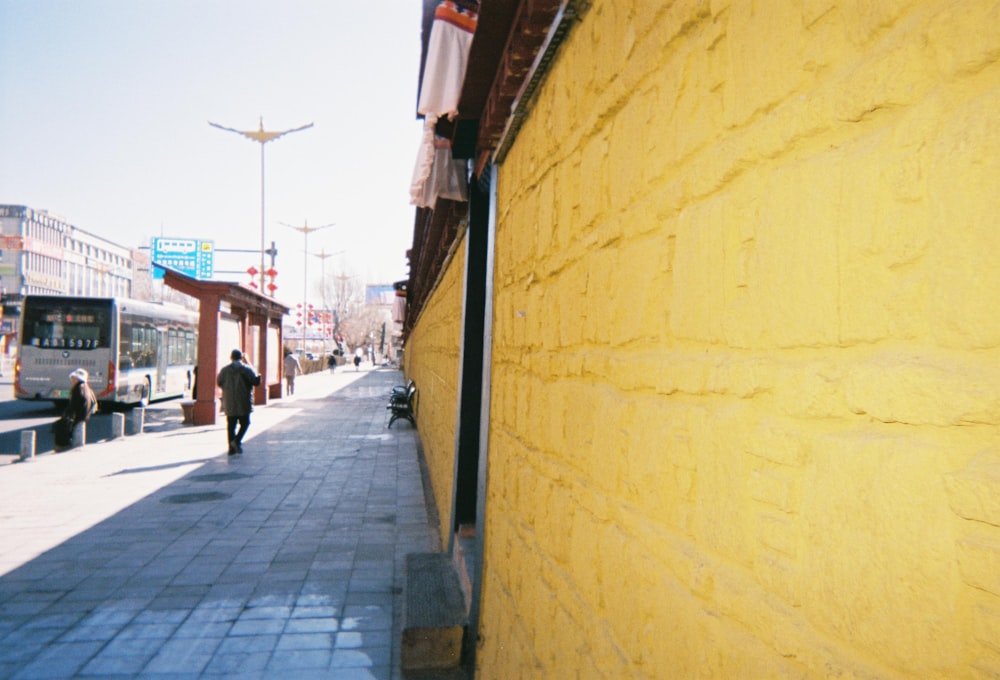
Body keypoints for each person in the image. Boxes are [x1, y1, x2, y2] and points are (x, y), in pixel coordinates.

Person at [216, 349, 261, 455]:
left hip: (229, 402)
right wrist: (250, 363)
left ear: (231, 358)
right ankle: (236, 441)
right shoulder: (246, 369)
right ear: (241, 357)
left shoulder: (224, 370)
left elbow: (219, 382)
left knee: (231, 425)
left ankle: (231, 449)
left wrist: (227, 390)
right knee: (245, 423)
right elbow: (255, 381)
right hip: (243, 401)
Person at [56, 368, 97, 451]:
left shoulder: (78, 388)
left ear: (78, 378)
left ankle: (63, 446)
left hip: (78, 415)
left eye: (74, 377)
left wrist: (67, 413)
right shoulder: (86, 387)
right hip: (83, 415)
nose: (72, 379)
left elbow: (74, 404)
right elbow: (93, 402)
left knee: (60, 426)